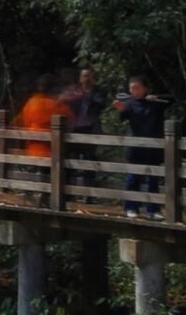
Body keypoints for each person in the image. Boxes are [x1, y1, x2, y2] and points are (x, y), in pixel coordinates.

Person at [113, 77, 168, 217]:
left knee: (153, 181)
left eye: (137, 88)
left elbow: (171, 101)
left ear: (145, 88)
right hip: (135, 148)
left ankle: (153, 210)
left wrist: (154, 98)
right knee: (133, 179)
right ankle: (131, 208)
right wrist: (121, 109)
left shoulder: (154, 103)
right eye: (132, 88)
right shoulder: (129, 104)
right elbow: (122, 117)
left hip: (153, 147)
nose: (134, 91)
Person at [65, 66, 105, 188]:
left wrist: (86, 96)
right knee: (71, 160)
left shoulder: (98, 92)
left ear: (93, 78)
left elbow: (101, 104)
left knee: (89, 160)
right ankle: (69, 191)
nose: (86, 79)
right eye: (84, 76)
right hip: (74, 128)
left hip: (90, 128)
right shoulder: (74, 91)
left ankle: (89, 193)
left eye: (89, 76)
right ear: (80, 78)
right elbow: (65, 103)